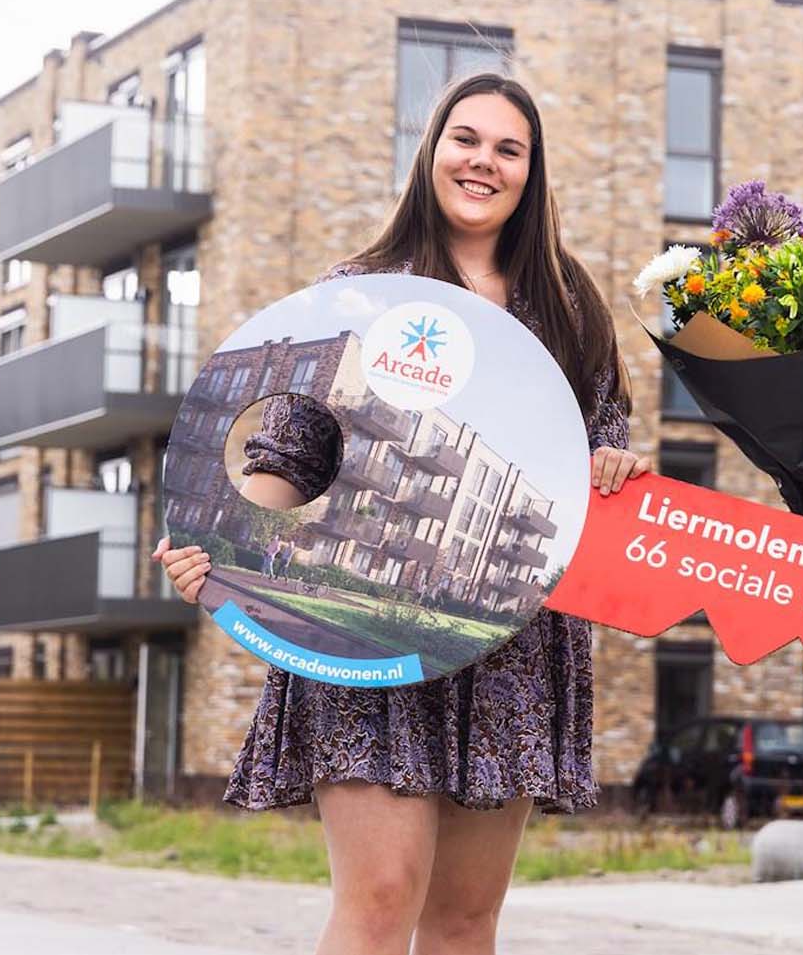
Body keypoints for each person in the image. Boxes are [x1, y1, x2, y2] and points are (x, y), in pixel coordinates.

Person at [155, 72, 648, 955]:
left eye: (508, 149)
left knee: (464, 921)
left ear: (531, 173)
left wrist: (612, 460)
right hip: (363, 659)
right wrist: (215, 547)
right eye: (466, 139)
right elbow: (288, 452)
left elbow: (601, 446)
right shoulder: (362, 290)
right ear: (431, 151)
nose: (482, 162)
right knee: (380, 899)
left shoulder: (570, 308)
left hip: (509, 649)